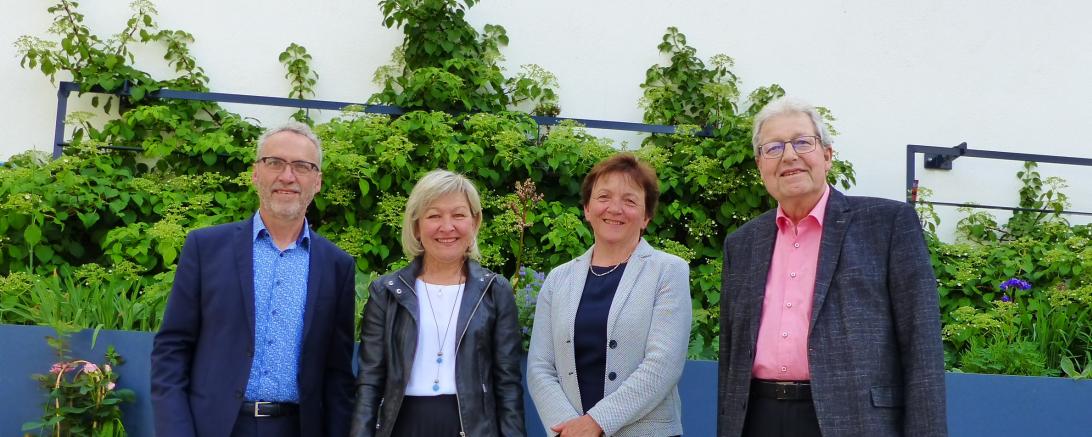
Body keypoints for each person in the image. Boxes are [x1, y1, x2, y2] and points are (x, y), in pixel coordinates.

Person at [717, 97, 947, 437]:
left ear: (826, 155)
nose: (789, 156)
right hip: (757, 418)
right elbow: (731, 354)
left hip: (854, 420)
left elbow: (922, 345)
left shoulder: (887, 224)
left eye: (802, 142)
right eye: (774, 147)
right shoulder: (742, 244)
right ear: (760, 165)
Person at [151, 121, 356, 437]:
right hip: (214, 427)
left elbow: (337, 375)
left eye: (301, 166)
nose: (287, 176)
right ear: (255, 173)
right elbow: (172, 350)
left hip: (297, 428)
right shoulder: (205, 248)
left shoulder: (337, 266)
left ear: (317, 181)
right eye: (274, 163)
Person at [350, 169, 525, 437]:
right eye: (434, 216)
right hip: (403, 426)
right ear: (417, 226)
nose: (447, 227)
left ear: (474, 222)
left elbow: (508, 384)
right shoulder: (386, 292)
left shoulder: (494, 290)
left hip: (473, 427)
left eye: (458, 215)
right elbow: (370, 382)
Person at [528, 153, 692, 437]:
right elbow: (540, 367)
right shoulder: (558, 280)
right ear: (587, 209)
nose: (615, 208)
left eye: (630, 201)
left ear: (646, 217)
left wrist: (595, 424)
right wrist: (570, 429)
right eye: (604, 197)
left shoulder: (668, 272)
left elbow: (662, 366)